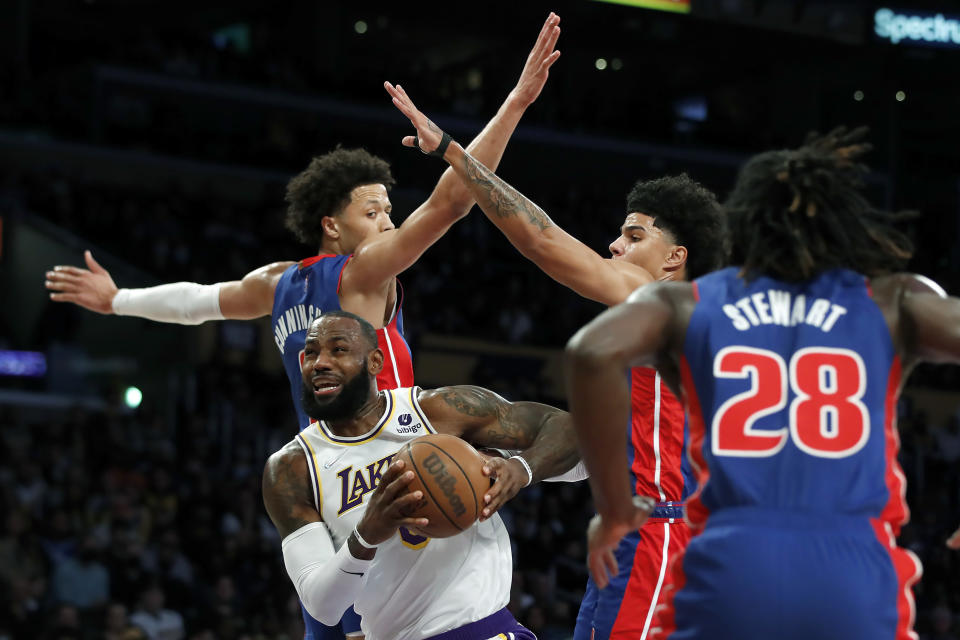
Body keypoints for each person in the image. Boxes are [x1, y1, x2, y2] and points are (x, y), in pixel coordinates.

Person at [44, 13, 562, 638]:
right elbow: (454, 200)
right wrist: (515, 103)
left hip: (353, 471)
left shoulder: (278, 282)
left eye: (390, 210)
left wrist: (120, 299)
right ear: (331, 225)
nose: (390, 223)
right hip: (376, 463)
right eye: (374, 211)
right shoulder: (361, 272)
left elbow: (198, 302)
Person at [564, 127, 960, 639]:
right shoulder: (895, 301)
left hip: (733, 556)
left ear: (747, 223)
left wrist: (615, 510)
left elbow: (590, 353)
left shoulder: (691, 302)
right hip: (852, 565)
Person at [385, 83, 726, 639]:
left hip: (660, 539)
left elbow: (541, 241)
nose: (616, 246)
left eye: (633, 235)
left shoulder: (660, 300)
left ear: (674, 260)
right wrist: (522, 464)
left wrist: (451, 149)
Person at [262, 310, 579, 639]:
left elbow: (569, 431)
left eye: (338, 349)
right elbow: (323, 606)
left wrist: (521, 468)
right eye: (311, 353)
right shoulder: (291, 469)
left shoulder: (439, 411)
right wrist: (368, 533)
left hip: (484, 630)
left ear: (374, 362)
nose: (320, 362)